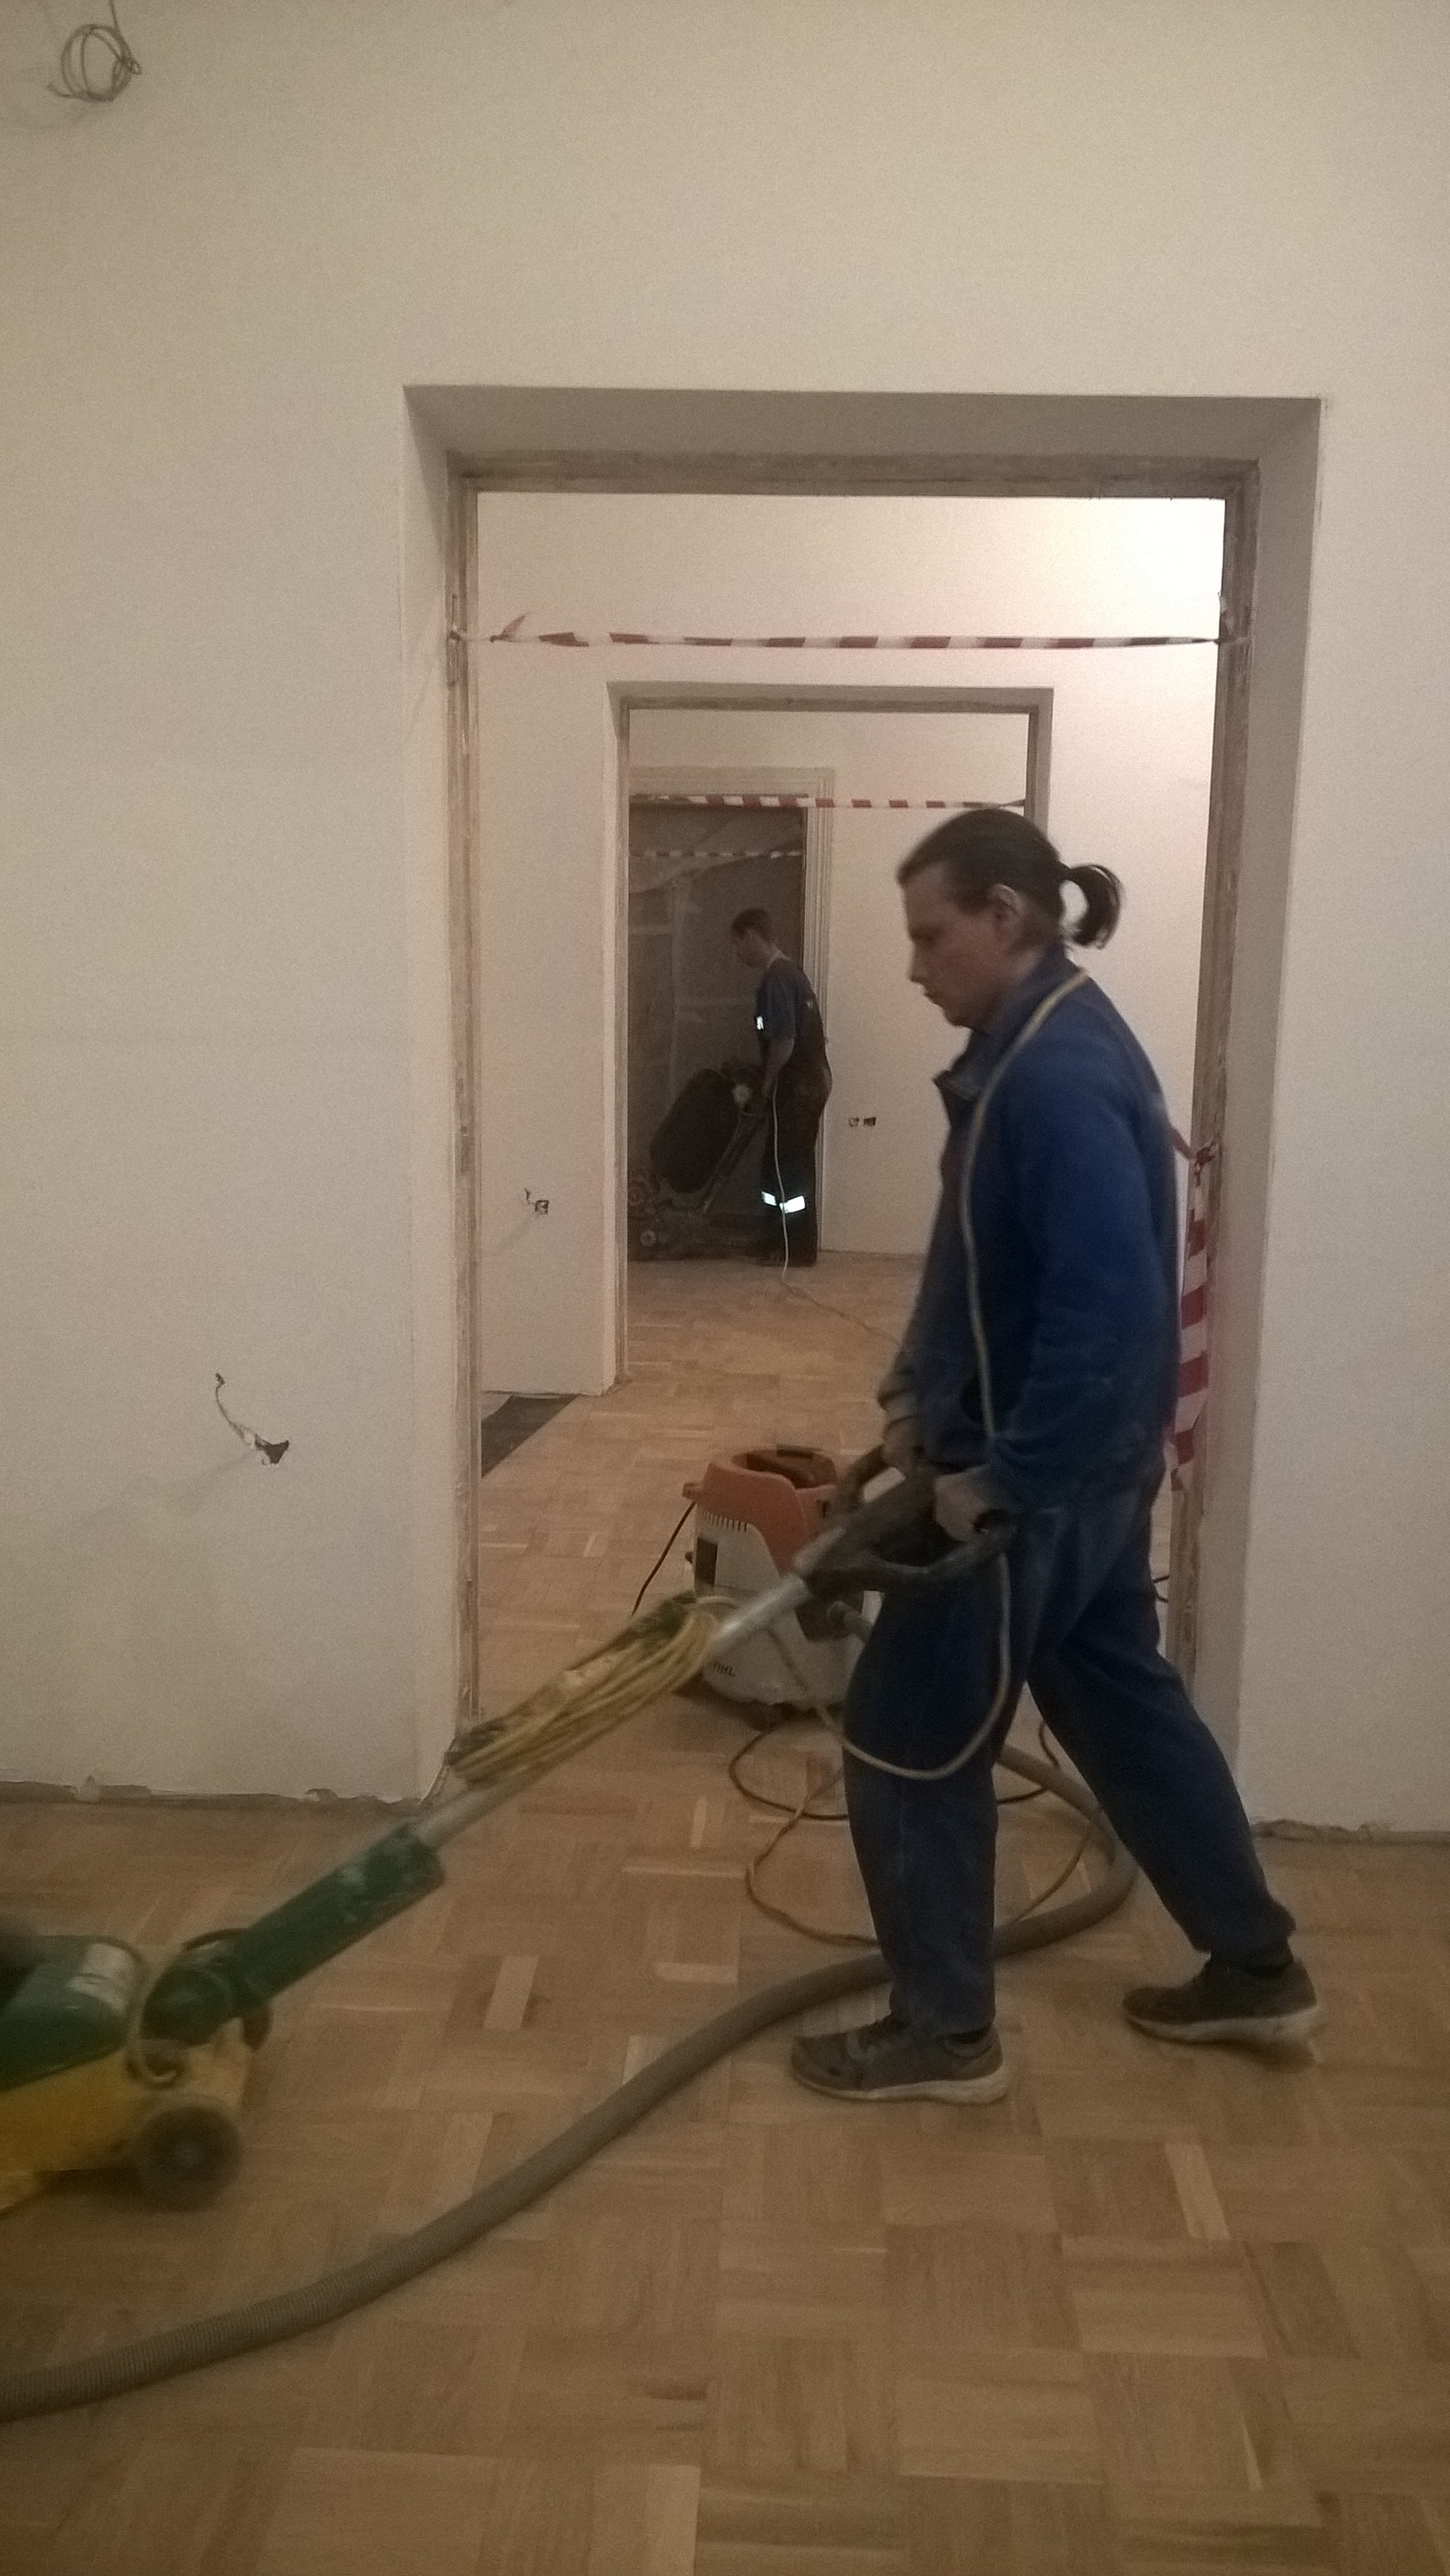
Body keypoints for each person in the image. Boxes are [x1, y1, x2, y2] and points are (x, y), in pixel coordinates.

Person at [790, 809, 1319, 2108]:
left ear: (1004, 916)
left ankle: (943, 2033)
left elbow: (1107, 1314)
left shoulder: (1055, 1077)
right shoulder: (1033, 1041)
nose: (913, 964)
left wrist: (995, 1484)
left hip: (1034, 1485)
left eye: (931, 936)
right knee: (1121, 1706)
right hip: (1083, 1476)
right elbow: (977, 1258)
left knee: (906, 1735)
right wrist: (912, 1399)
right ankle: (1253, 1965)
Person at [729, 907, 832, 1267]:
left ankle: (796, 1248)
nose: (737, 953)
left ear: (752, 935)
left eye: (737, 943)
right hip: (809, 1082)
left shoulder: (778, 979)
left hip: (797, 1085)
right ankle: (776, 1239)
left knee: (790, 1166)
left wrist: (767, 1083)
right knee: (778, 1163)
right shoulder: (791, 975)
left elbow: (784, 1041)